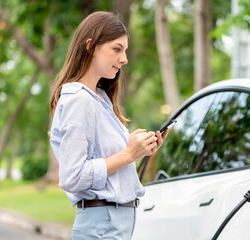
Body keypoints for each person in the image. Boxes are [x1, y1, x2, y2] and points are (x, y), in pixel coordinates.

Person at [49, 11, 168, 240]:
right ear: (91, 46)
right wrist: (128, 153)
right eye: (117, 49)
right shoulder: (79, 99)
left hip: (114, 223)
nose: (124, 59)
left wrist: (141, 151)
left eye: (125, 50)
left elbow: (110, 168)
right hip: (101, 224)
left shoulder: (100, 98)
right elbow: (72, 176)